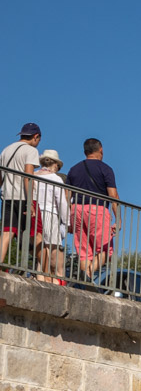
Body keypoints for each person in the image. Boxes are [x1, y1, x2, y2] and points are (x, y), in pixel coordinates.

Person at [64, 138, 118, 281]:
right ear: (101, 149)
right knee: (106, 250)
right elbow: (113, 196)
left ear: (85, 152)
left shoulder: (74, 169)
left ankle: (84, 284)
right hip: (98, 210)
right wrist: (118, 219)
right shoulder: (105, 169)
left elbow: (66, 196)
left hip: (76, 210)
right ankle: (87, 274)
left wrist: (68, 218)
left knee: (84, 252)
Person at [0, 122, 42, 270]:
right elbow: (28, 176)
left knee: (7, 233)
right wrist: (30, 202)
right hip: (23, 197)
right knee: (35, 235)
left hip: (7, 197)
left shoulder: (6, 150)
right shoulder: (30, 151)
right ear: (36, 137)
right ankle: (42, 269)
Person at [33, 150, 69, 284]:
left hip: (36, 213)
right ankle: (53, 280)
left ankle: (40, 277)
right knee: (51, 248)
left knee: (41, 248)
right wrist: (66, 222)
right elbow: (62, 204)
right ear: (55, 164)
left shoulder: (34, 175)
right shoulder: (56, 179)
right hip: (51, 214)